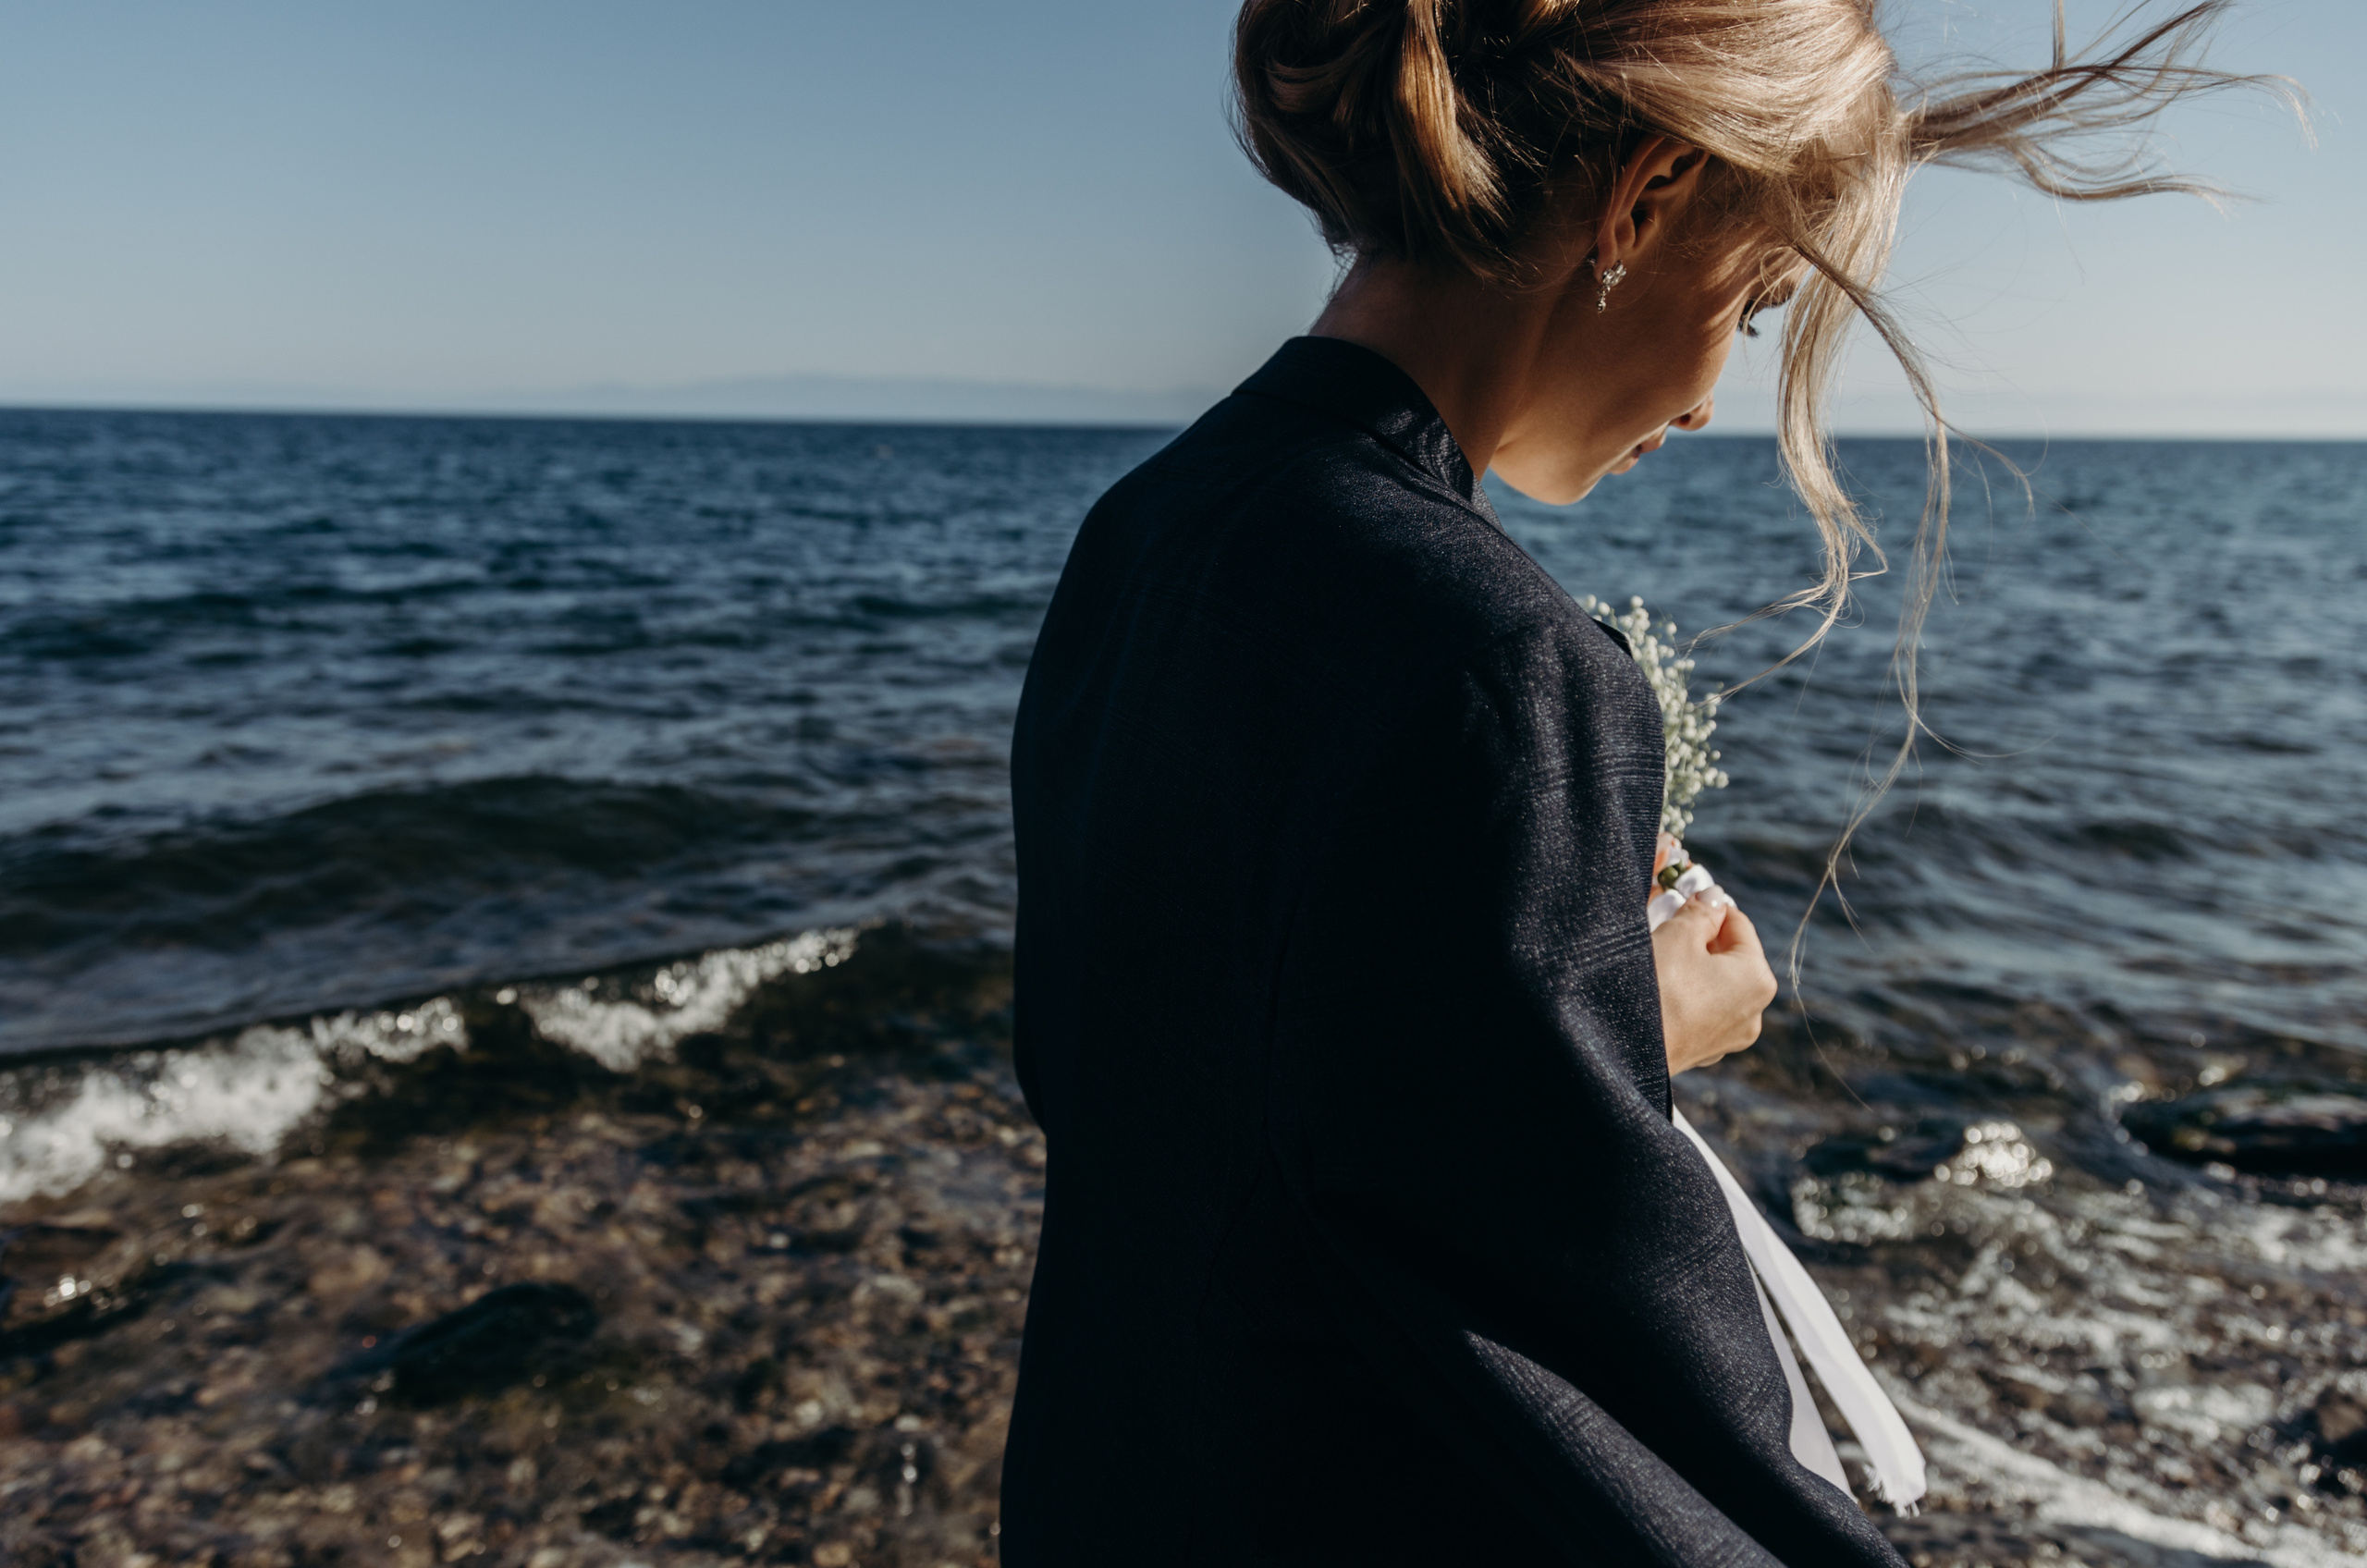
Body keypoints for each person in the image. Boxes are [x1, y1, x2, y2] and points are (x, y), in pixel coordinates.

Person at [1002, 2, 2263, 1561]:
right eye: (1748, 306)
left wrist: (1586, 1018)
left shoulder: (1145, 533)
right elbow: (1614, 1373)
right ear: (1645, 199)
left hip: (1111, 1474)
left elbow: (1195, 1079)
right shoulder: (1497, 659)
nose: (1714, 400)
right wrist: (1630, 1051)